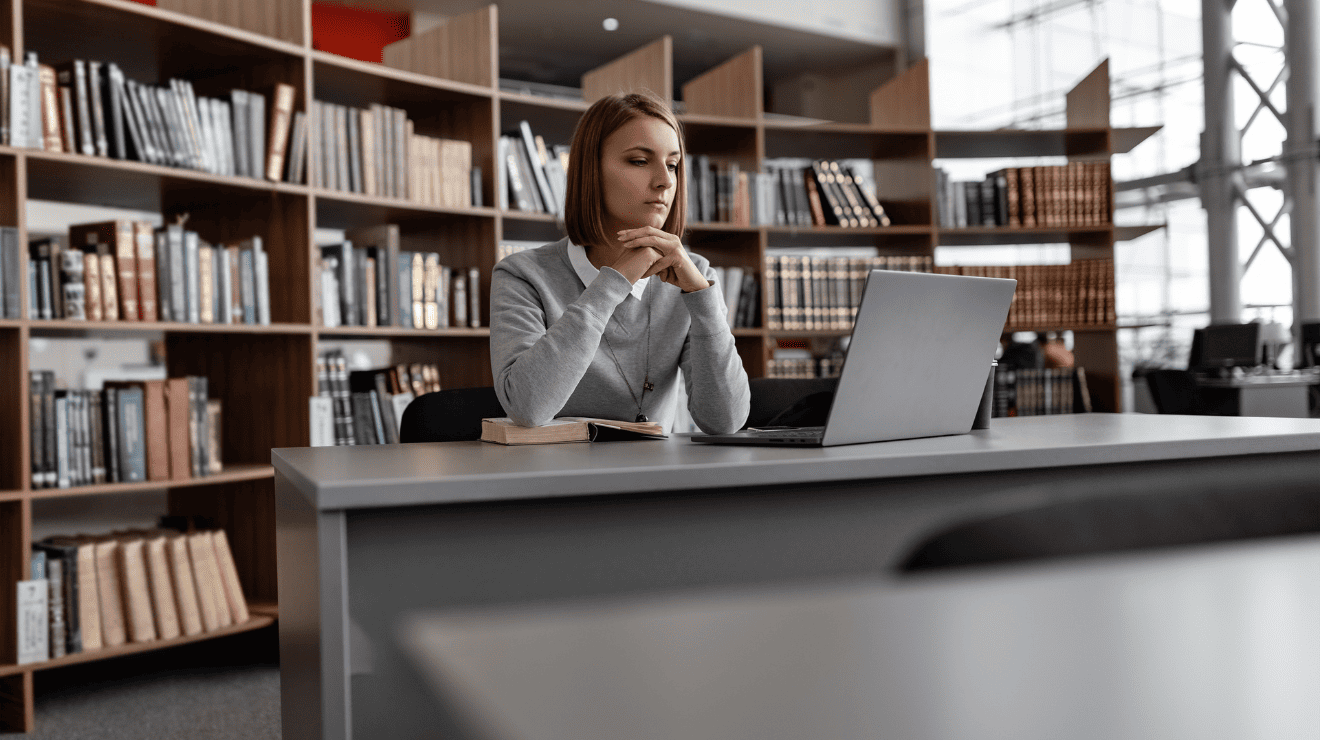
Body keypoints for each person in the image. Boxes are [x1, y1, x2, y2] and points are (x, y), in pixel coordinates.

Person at [490, 91, 750, 433]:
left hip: (653, 480)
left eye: (672, 164)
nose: (665, 181)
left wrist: (702, 299)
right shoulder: (521, 275)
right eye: (640, 161)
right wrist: (615, 281)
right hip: (554, 480)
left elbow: (725, 421)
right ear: (591, 171)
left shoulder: (694, 276)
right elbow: (527, 408)